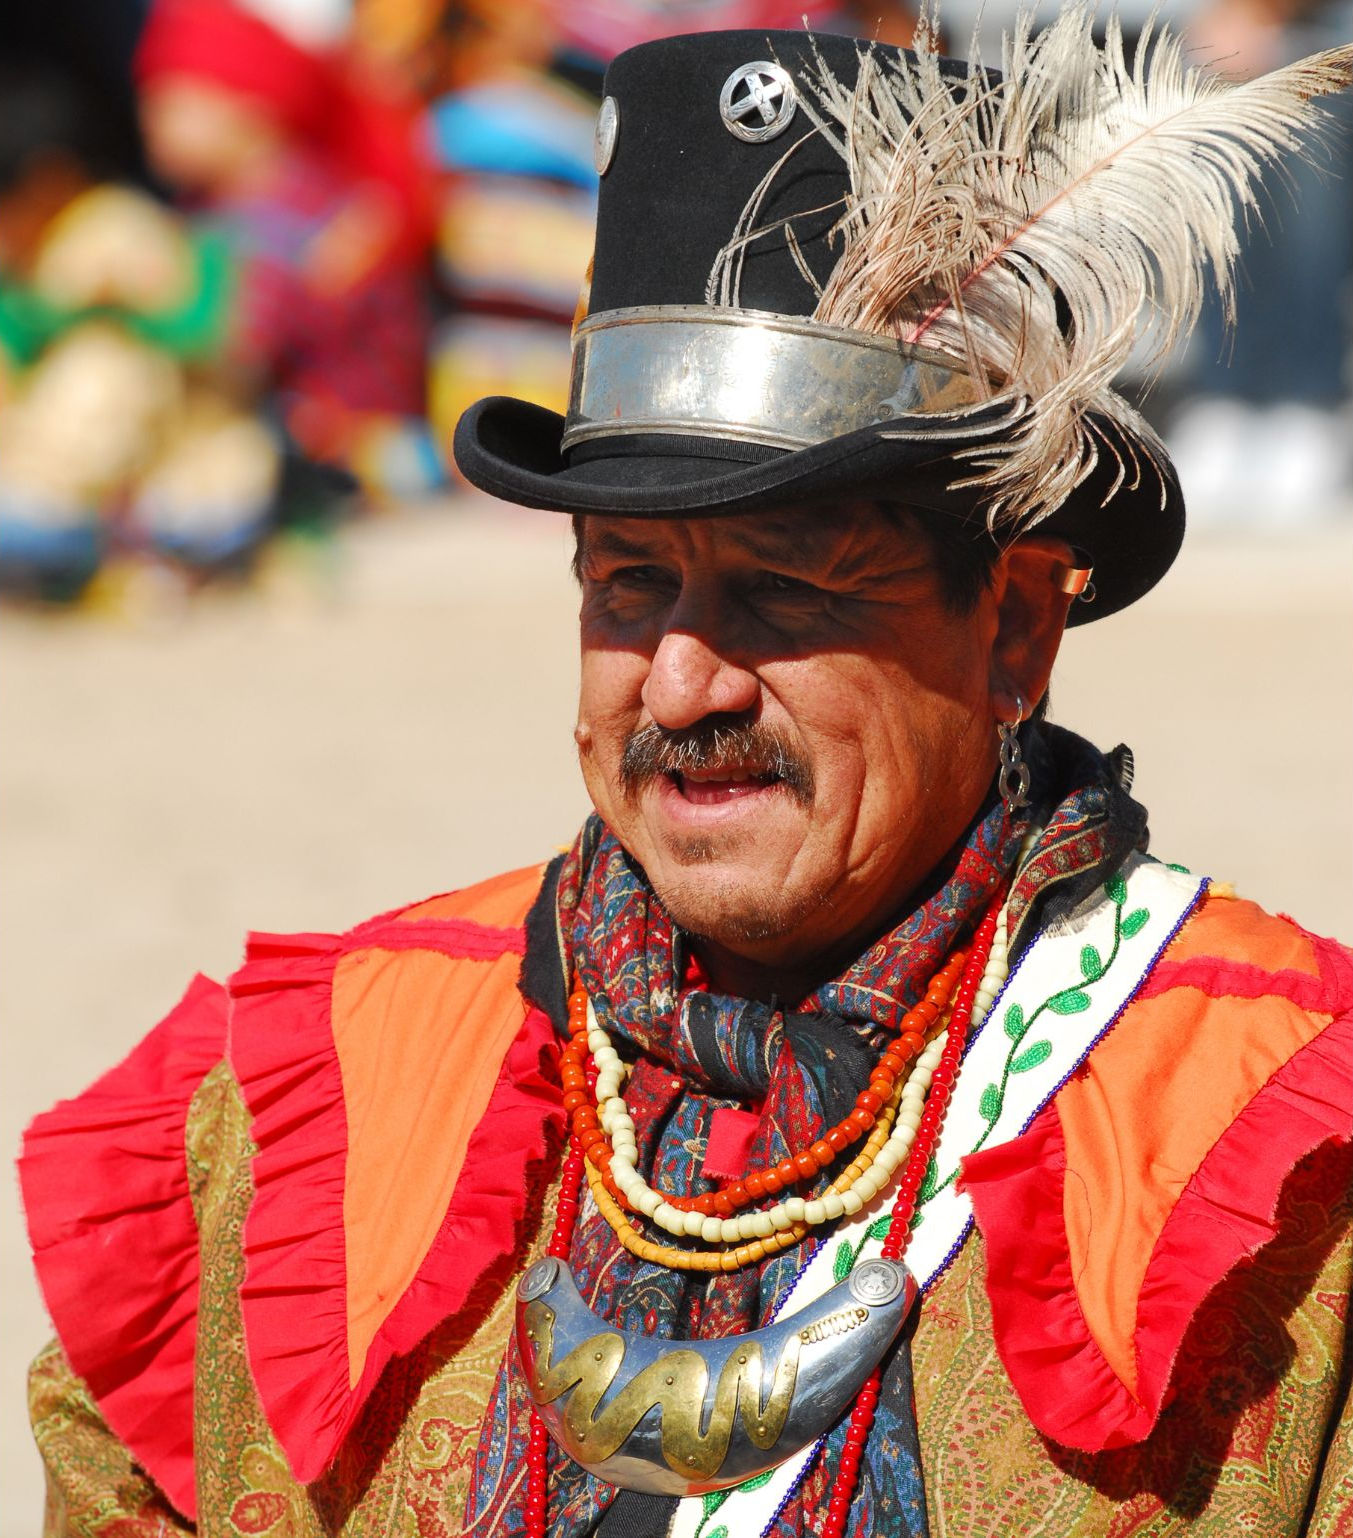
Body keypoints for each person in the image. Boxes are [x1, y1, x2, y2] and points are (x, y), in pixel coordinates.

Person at [20, 13, 1353, 1536]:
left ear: (1015, 628)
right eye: (629, 583)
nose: (680, 683)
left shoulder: (1285, 1152)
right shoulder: (299, 1104)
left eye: (788, 594)